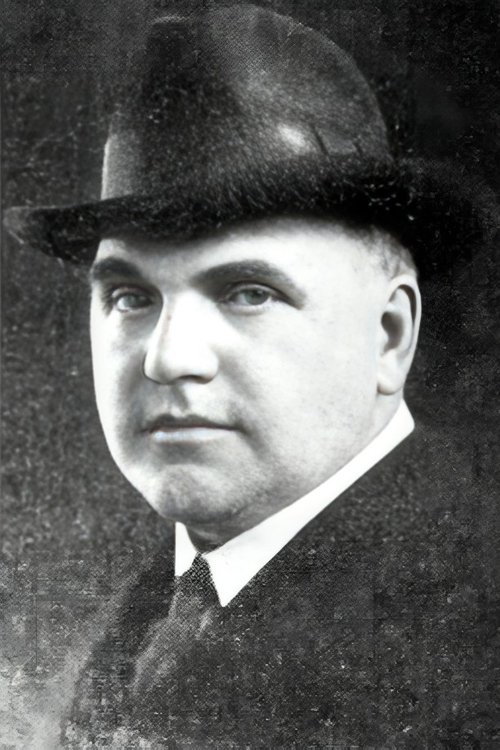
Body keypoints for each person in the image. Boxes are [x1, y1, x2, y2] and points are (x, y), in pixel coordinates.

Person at [5, 4, 498, 747]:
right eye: (131, 297)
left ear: (389, 335)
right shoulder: (168, 603)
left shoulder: (472, 627)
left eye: (248, 293)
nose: (167, 358)